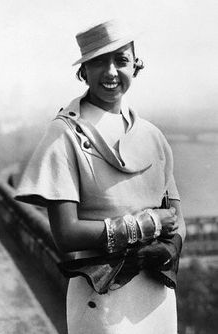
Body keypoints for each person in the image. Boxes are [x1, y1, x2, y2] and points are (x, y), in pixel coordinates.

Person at [15, 19, 186, 334]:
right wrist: (142, 227)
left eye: (121, 60)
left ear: (136, 66)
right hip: (101, 295)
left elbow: (177, 218)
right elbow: (65, 233)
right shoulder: (63, 134)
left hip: (157, 296)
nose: (111, 72)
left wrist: (172, 246)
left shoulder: (152, 135)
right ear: (84, 71)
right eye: (98, 62)